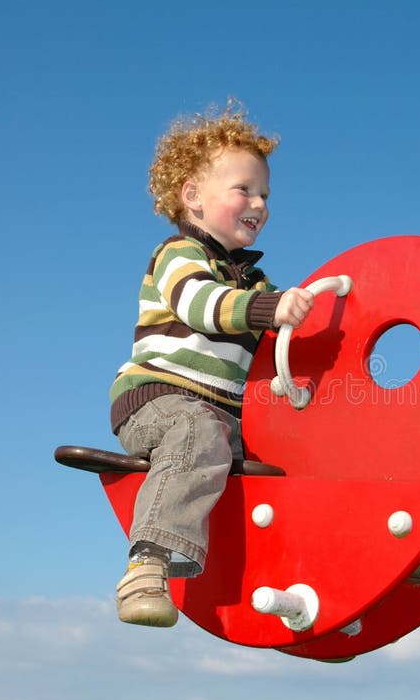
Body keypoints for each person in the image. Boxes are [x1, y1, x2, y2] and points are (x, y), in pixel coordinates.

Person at [109, 102, 314, 627]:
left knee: (282, 463)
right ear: (192, 197)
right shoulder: (179, 255)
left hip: (224, 418)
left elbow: (278, 346)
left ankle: (319, 589)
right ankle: (147, 566)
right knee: (198, 431)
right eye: (244, 189)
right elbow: (200, 305)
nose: (259, 203)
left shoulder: (254, 282)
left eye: (265, 194)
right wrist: (270, 308)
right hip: (157, 401)